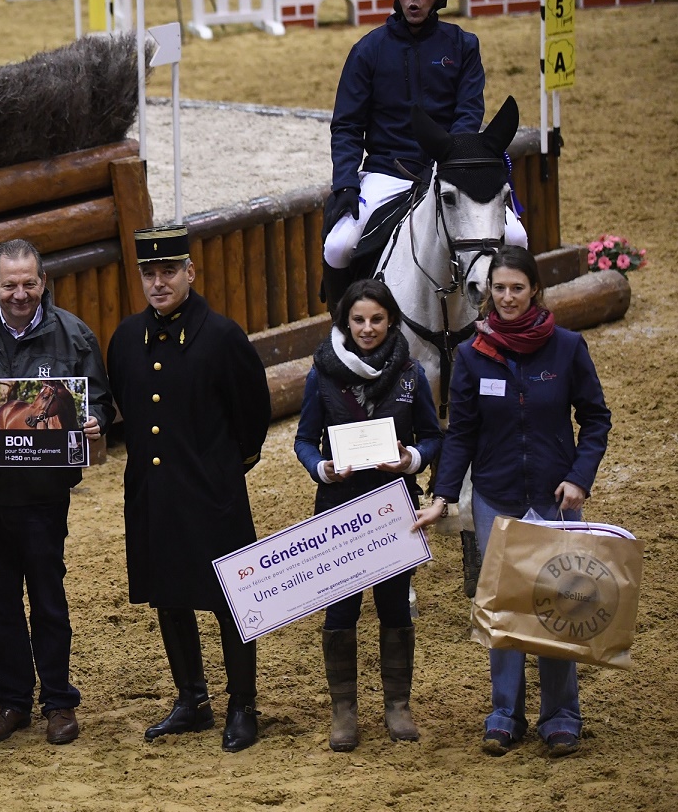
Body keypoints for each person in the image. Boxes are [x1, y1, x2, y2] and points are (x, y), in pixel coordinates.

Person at [412, 245, 611, 758]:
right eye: (498, 288)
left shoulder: (567, 348)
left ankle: (561, 715)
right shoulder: (475, 355)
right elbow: (461, 435)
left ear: (535, 290)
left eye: (516, 288)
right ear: (487, 293)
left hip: (554, 502)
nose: (506, 297)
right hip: (496, 499)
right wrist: (442, 496)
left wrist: (579, 478)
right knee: (503, 610)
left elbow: (595, 419)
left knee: (559, 607)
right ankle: (504, 713)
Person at [106, 225, 272, 752]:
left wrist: (222, 469)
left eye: (169, 272)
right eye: (149, 274)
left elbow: (253, 418)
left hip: (211, 492)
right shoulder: (126, 338)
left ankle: (242, 704)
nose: (159, 283)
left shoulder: (222, 336)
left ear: (190, 273)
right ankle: (192, 699)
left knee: (231, 600)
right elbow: (129, 410)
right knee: (167, 593)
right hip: (153, 492)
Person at [0, 239, 114, 747]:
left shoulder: (74, 335)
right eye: (9, 284)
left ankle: (59, 701)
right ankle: (13, 700)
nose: (20, 293)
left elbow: (99, 398)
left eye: (29, 283)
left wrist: (95, 421)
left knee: (47, 596)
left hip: (44, 494)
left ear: (43, 282)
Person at [322, 0, 527, 301]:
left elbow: (468, 112)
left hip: (448, 169)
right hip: (388, 171)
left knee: (518, 238)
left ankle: (503, 320)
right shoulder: (367, 50)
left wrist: (449, 161)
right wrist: (344, 182)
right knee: (338, 246)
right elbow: (347, 125)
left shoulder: (463, 45)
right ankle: (347, 327)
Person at [294, 279, 443, 751]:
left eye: (377, 319)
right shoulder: (321, 374)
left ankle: (398, 704)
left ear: (391, 321)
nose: (367, 328)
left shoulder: (412, 374)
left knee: (395, 605)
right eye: (358, 319)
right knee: (341, 607)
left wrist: (412, 459)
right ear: (344, 321)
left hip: (394, 505)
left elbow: (433, 434)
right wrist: (322, 467)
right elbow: (302, 439)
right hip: (339, 506)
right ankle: (344, 710)